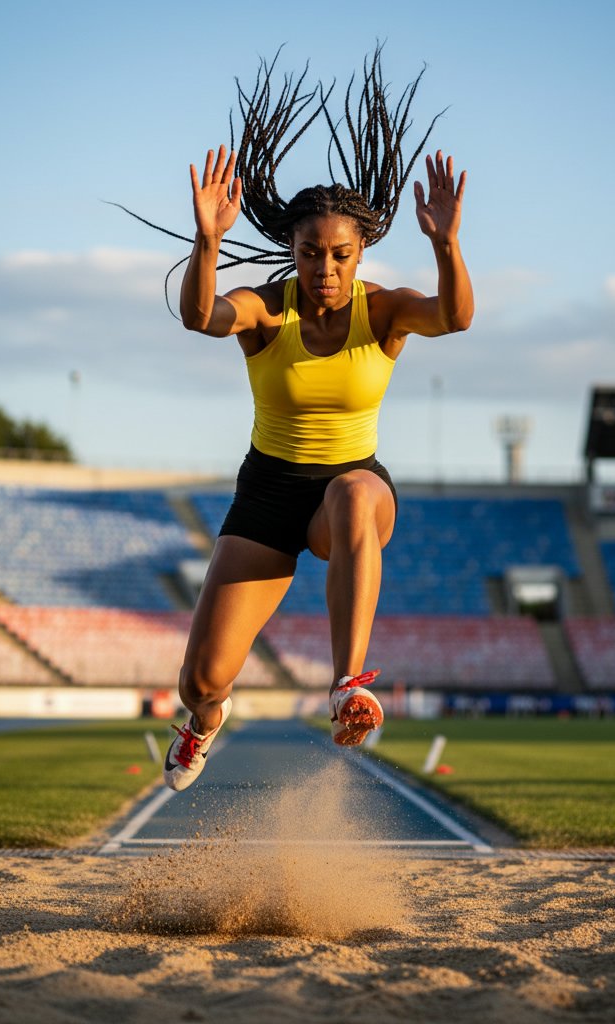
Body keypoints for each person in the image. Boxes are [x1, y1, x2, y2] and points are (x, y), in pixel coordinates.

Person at [153, 51, 474, 791]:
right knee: (199, 680)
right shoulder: (269, 310)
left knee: (354, 493)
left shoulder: (384, 309)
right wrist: (205, 241)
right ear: (291, 253)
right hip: (268, 493)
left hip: (350, 488)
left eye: (339, 255)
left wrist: (447, 244)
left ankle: (349, 684)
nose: (325, 269)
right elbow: (200, 315)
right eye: (310, 253)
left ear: (361, 254)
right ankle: (202, 722)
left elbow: (455, 316)